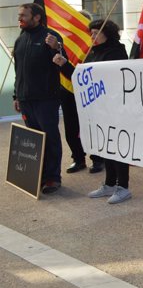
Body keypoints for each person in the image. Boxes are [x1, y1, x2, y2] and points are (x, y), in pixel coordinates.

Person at [53, 20, 130, 203]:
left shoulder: (117, 51)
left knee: (117, 147)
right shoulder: (92, 52)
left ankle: (123, 187)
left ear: (107, 33)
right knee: (105, 145)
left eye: (96, 32)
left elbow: (109, 77)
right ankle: (110, 183)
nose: (92, 36)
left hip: (114, 106)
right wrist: (64, 64)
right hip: (98, 107)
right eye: (91, 33)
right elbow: (82, 78)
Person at [45, 9, 104, 175]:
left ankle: (98, 159)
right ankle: (78, 159)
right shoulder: (65, 41)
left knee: (90, 126)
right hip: (67, 88)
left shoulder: (95, 44)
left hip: (88, 90)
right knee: (71, 127)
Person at [13, 3, 64, 194]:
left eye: (24, 15)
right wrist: (17, 95)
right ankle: (37, 176)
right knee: (34, 140)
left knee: (50, 138)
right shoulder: (20, 40)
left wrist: (56, 48)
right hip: (26, 100)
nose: (20, 18)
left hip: (46, 99)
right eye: (19, 15)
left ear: (36, 17)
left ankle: (52, 178)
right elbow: (19, 71)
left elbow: (62, 61)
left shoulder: (51, 37)